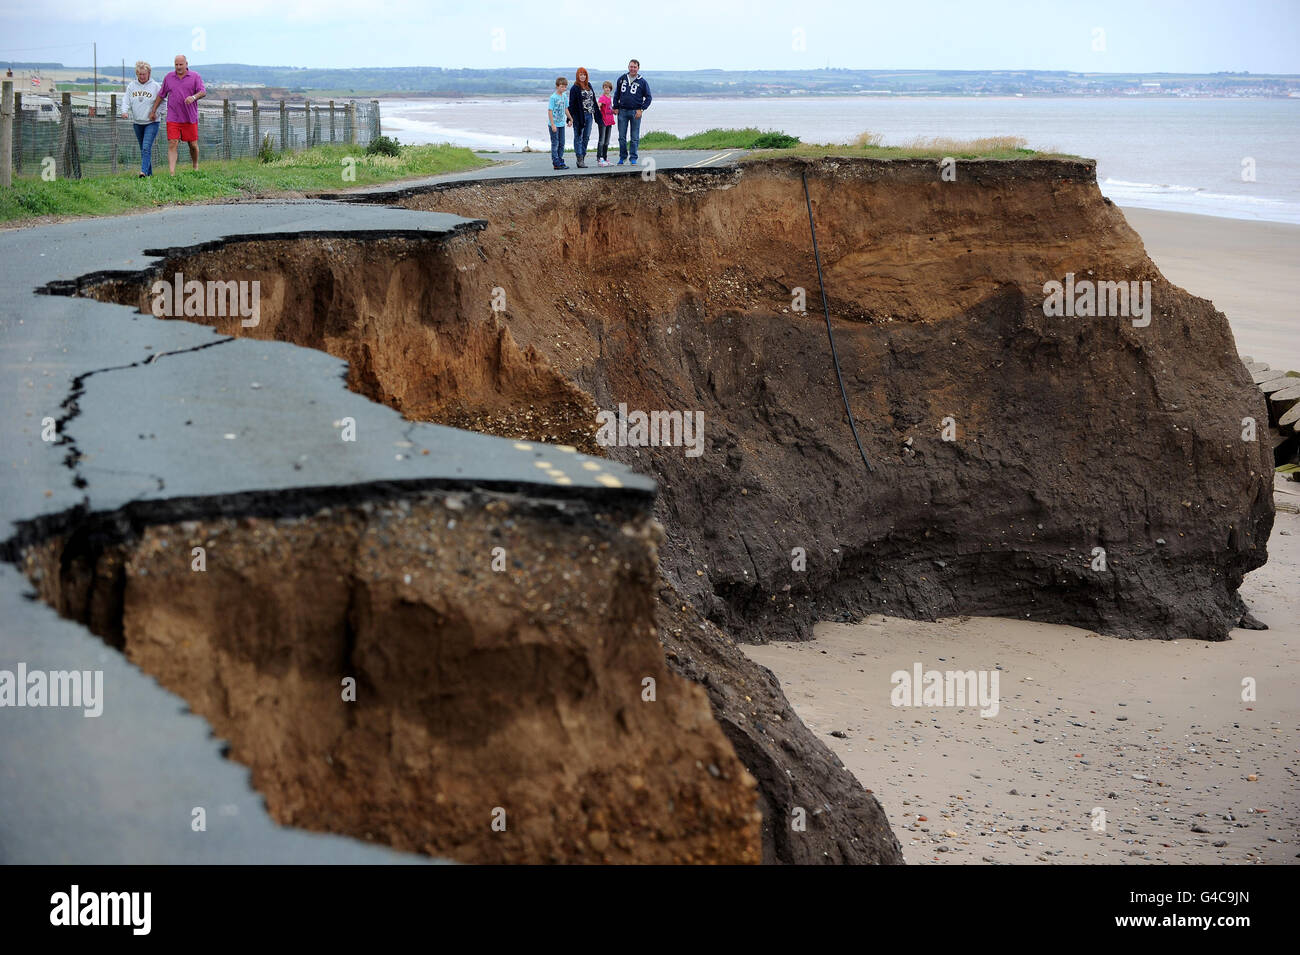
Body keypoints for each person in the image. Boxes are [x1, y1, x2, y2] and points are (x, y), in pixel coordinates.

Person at [148, 54, 205, 174]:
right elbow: (161, 94)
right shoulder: (169, 77)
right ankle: (172, 173)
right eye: (176, 65)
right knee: (173, 143)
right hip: (173, 117)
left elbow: (202, 92)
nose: (178, 67)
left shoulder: (195, 76)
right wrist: (153, 110)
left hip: (190, 117)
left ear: (186, 64)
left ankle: (195, 165)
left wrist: (193, 97)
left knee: (193, 145)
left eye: (181, 64)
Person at [121, 61, 162, 178]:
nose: (142, 77)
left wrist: (157, 113)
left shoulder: (155, 86)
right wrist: (124, 111)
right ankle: (149, 175)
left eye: (144, 74)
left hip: (152, 122)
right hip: (137, 122)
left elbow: (164, 102)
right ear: (136, 74)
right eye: (139, 74)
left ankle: (143, 172)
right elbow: (126, 100)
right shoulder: (131, 86)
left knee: (146, 147)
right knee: (144, 149)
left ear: (149, 73)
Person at [612, 58, 651, 166]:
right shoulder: (622, 79)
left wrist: (641, 109)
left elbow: (648, 97)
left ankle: (633, 157)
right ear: (628, 67)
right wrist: (615, 106)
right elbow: (616, 94)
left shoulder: (642, 81)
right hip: (622, 111)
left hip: (635, 112)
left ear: (638, 68)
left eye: (635, 67)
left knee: (634, 137)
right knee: (621, 137)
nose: (632, 69)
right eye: (631, 66)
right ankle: (622, 157)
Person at [567, 67, 597, 169]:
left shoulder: (589, 85)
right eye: (581, 74)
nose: (583, 76)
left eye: (584, 74)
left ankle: (582, 157)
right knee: (578, 137)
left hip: (589, 115)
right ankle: (579, 160)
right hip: (579, 116)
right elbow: (571, 104)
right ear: (577, 76)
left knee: (586, 137)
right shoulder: (574, 88)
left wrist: (598, 116)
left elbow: (594, 101)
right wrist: (569, 119)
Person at [547, 76, 571, 170]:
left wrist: (570, 118)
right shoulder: (553, 97)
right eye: (562, 87)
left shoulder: (564, 96)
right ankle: (556, 162)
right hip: (554, 125)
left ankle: (560, 160)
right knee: (555, 143)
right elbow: (550, 111)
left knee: (562, 143)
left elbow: (566, 109)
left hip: (561, 124)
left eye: (565, 87)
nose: (564, 89)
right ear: (557, 86)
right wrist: (552, 124)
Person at [596, 81, 615, 166]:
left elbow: (609, 108)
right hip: (603, 121)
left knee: (607, 141)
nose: (607, 89)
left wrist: (614, 111)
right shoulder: (602, 97)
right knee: (602, 141)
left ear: (610, 89)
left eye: (608, 88)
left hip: (610, 121)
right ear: (603, 88)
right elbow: (598, 105)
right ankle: (599, 158)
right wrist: (599, 114)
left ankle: (605, 157)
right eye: (605, 87)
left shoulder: (609, 97)